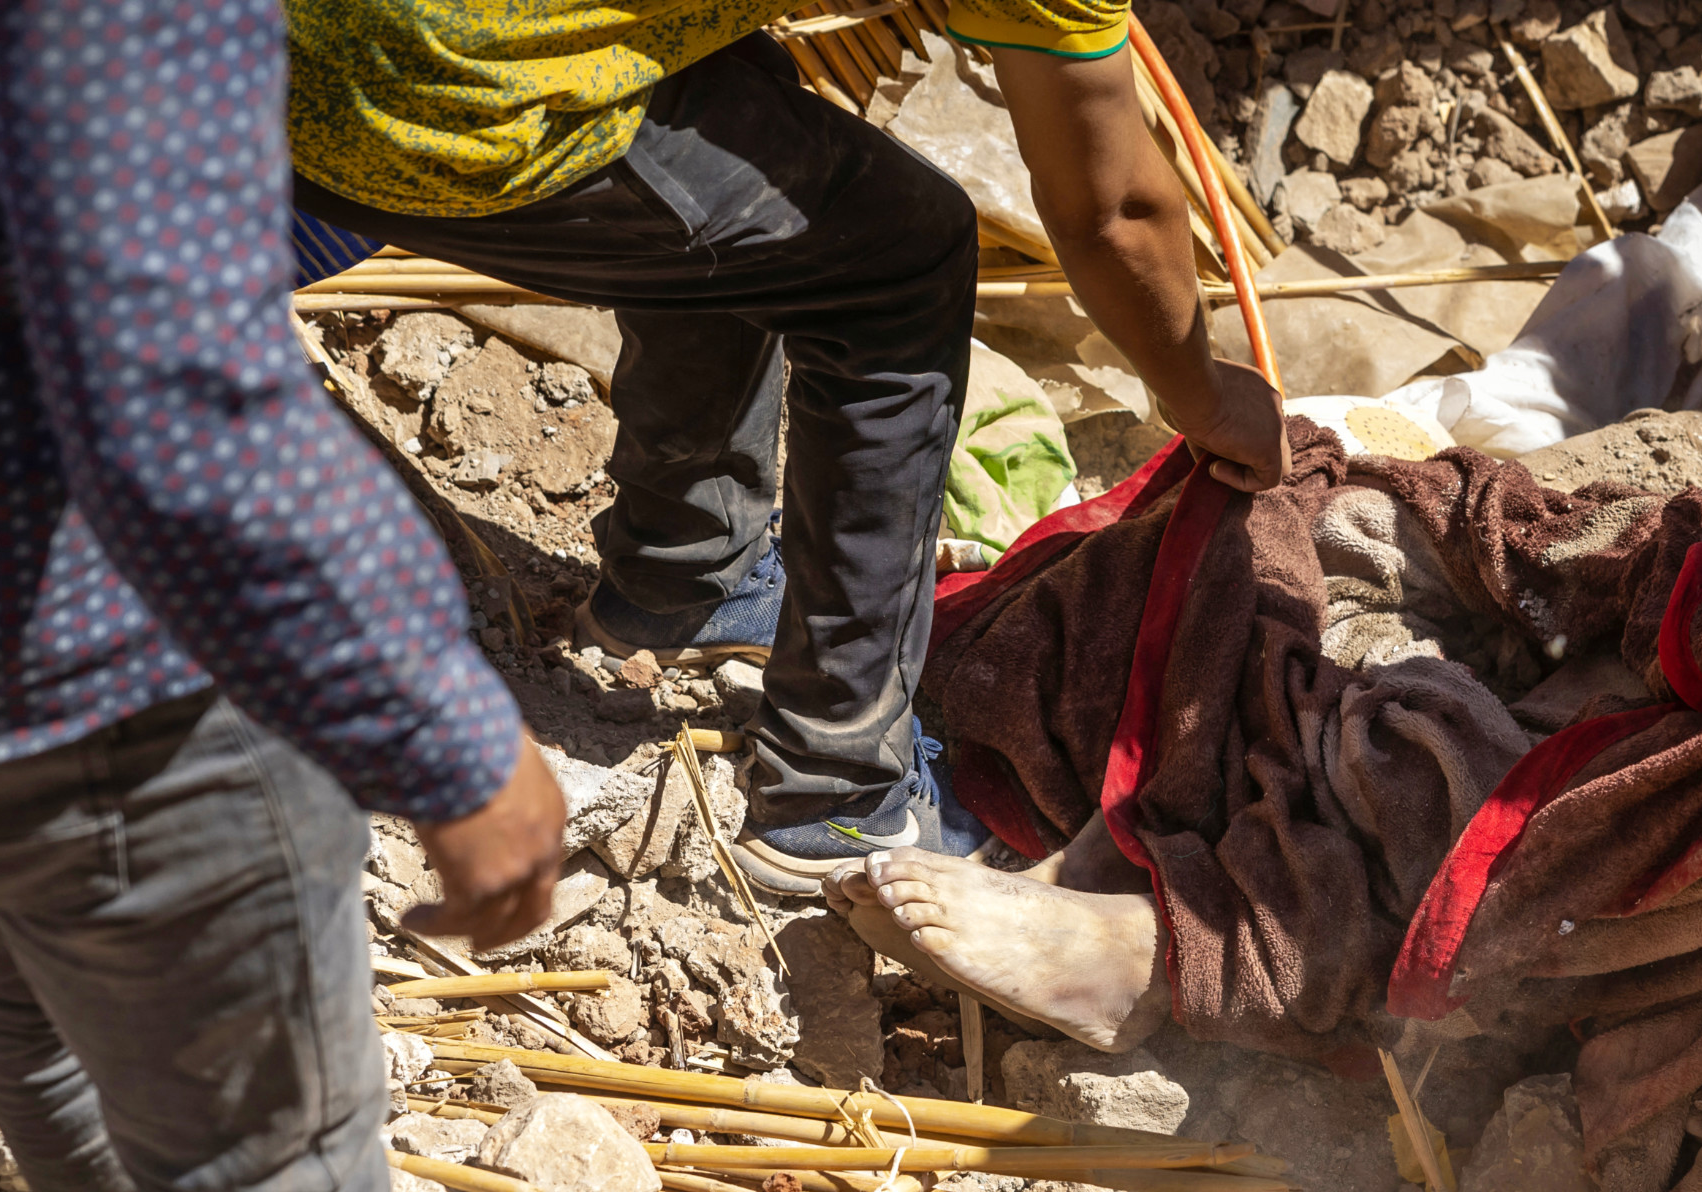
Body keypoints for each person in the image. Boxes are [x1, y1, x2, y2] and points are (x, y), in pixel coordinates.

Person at [0, 0, 639, 1192]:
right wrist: (455, 734)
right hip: (109, 663)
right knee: (265, 1177)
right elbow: (173, 386)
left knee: (33, 1013)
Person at [281, 0, 1289, 895]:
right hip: (412, 99)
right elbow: (1111, 208)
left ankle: (686, 574)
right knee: (899, 250)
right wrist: (1198, 393)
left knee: (756, 125)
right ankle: (838, 793)